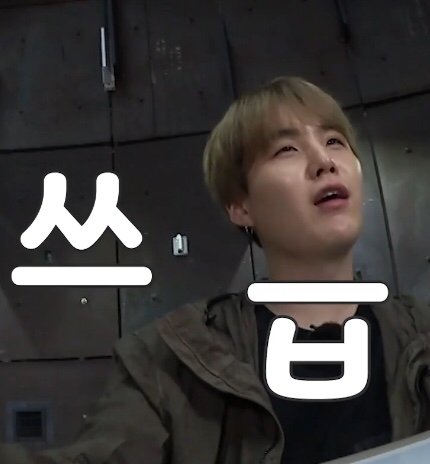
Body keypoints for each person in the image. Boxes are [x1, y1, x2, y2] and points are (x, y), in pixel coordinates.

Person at [1, 76, 430, 464]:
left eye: (335, 141)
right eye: (287, 149)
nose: (324, 161)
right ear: (241, 206)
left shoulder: (420, 337)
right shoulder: (173, 359)